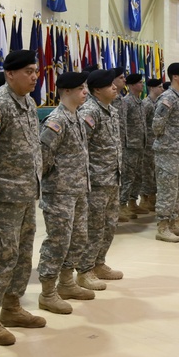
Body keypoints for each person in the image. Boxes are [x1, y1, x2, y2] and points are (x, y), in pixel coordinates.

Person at [0, 49, 44, 347]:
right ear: (10, 73)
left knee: (22, 255)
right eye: (28, 71)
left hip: (25, 195)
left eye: (35, 71)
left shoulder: (27, 103)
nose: (34, 76)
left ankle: (12, 307)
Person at [38, 71, 95, 313]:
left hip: (79, 190)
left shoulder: (77, 117)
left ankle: (67, 282)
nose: (85, 92)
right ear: (67, 91)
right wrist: (56, 181)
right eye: (81, 88)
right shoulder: (56, 120)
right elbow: (43, 157)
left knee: (78, 238)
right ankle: (48, 292)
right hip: (60, 192)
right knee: (58, 242)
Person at [79, 68, 125, 284]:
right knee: (94, 227)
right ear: (97, 89)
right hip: (96, 181)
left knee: (109, 224)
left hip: (112, 178)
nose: (115, 87)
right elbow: (81, 147)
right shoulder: (89, 112)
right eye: (109, 85)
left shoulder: (110, 110)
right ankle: (84, 270)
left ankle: (99, 263)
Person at [152, 63, 179, 242]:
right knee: (167, 191)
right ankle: (162, 227)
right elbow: (157, 125)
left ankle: (173, 221)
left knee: (178, 190)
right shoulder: (167, 98)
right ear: (175, 77)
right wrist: (169, 141)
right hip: (168, 151)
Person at [119, 73, 147, 219]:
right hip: (130, 145)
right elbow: (123, 123)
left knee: (138, 176)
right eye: (139, 82)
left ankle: (132, 202)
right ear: (131, 85)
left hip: (140, 144)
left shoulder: (140, 102)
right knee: (128, 176)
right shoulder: (127, 102)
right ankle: (121, 205)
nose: (142, 84)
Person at [138, 78, 163, 212]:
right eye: (159, 87)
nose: (162, 89)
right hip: (147, 144)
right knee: (147, 172)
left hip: (156, 143)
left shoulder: (158, 102)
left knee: (154, 172)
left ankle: (153, 197)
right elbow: (142, 124)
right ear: (152, 88)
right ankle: (145, 199)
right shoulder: (146, 104)